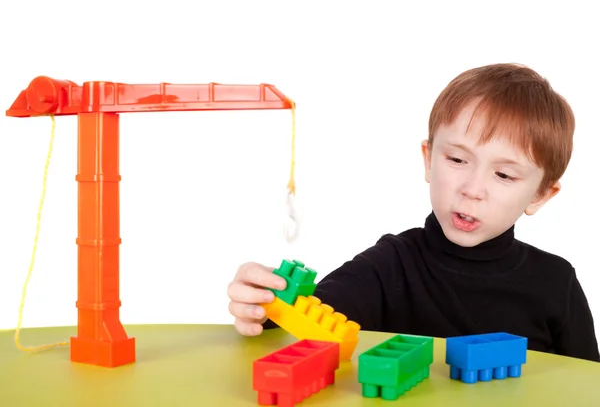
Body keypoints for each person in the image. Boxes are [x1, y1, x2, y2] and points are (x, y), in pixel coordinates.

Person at [226, 63, 600, 362]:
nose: (472, 189)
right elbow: (312, 320)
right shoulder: (390, 265)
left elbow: (588, 387)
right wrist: (265, 307)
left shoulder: (556, 284)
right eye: (456, 158)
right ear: (428, 159)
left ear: (540, 195)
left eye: (503, 174)